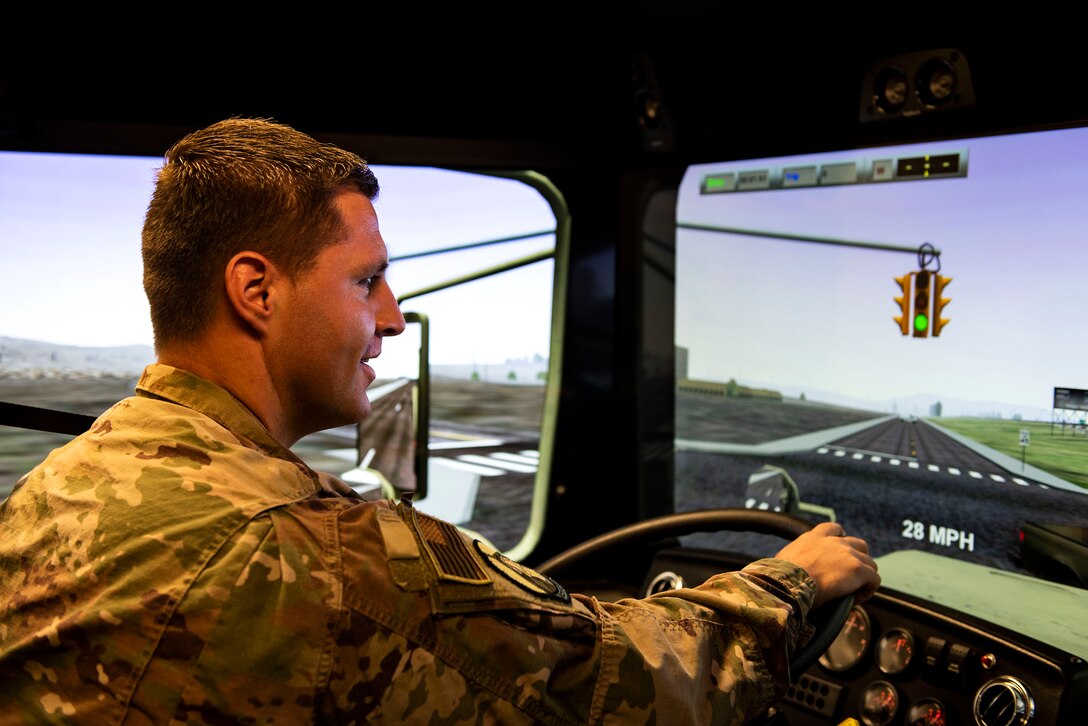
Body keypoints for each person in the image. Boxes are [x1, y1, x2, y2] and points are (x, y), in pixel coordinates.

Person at [0, 117, 880, 724]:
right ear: (256, 291)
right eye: (364, 281)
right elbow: (618, 688)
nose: (390, 318)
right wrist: (789, 584)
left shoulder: (62, 482)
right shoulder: (327, 560)